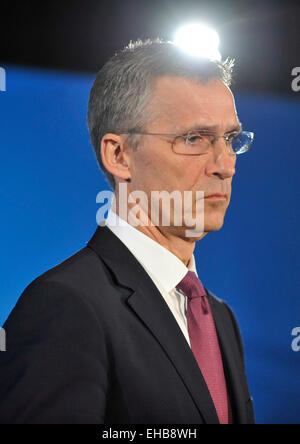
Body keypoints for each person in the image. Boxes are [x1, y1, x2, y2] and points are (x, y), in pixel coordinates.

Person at [0, 39, 255, 424]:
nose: (225, 164)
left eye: (231, 139)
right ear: (118, 155)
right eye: (194, 139)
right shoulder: (65, 308)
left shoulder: (220, 318)